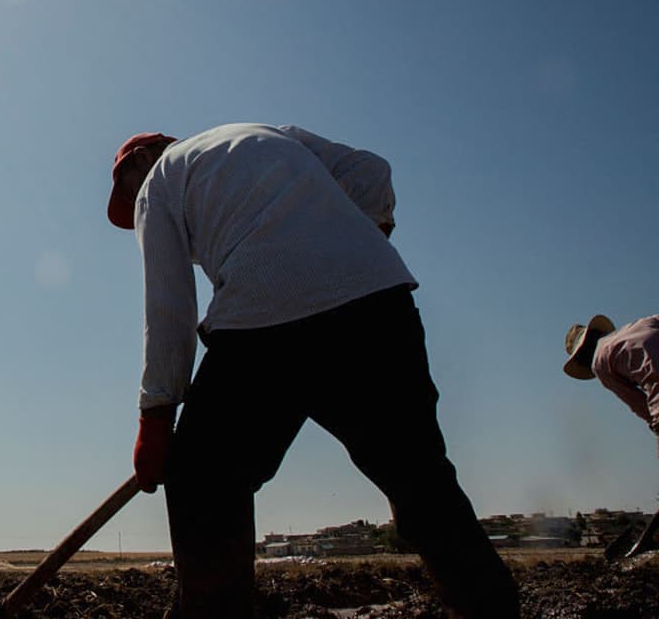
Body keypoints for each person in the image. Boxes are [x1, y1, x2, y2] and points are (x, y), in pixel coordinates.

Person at [106, 123, 518, 618]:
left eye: (126, 192)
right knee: (421, 481)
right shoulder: (265, 133)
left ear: (141, 160)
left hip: (264, 325)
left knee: (204, 481)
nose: (132, 206)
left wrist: (156, 413)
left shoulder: (158, 182)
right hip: (378, 306)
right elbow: (371, 170)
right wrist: (353, 246)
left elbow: (168, 304)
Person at [563, 313, 659, 557]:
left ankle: (647, 544)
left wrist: (656, 425)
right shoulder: (642, 324)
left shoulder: (600, 362)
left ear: (582, 356)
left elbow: (638, 403)